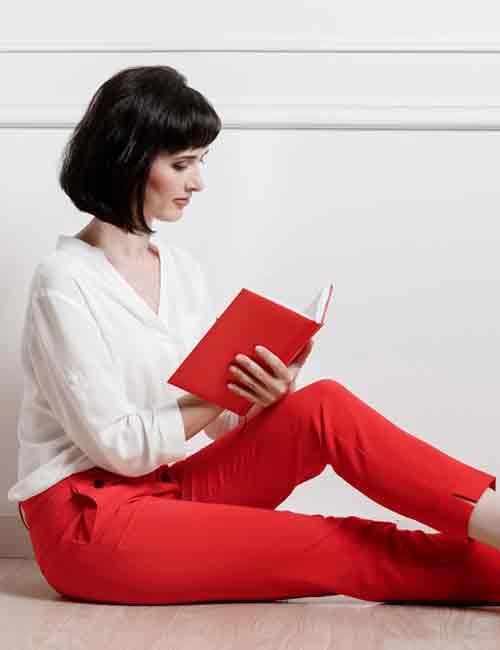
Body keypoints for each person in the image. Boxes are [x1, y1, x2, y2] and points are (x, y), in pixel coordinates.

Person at [8, 65, 500, 606]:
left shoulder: (181, 272)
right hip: (89, 525)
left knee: (322, 407)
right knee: (335, 543)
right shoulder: (65, 281)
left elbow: (217, 423)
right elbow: (120, 447)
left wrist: (261, 393)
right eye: (182, 164)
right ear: (127, 162)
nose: (198, 182)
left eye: (200, 162)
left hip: (164, 490)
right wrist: (223, 394)